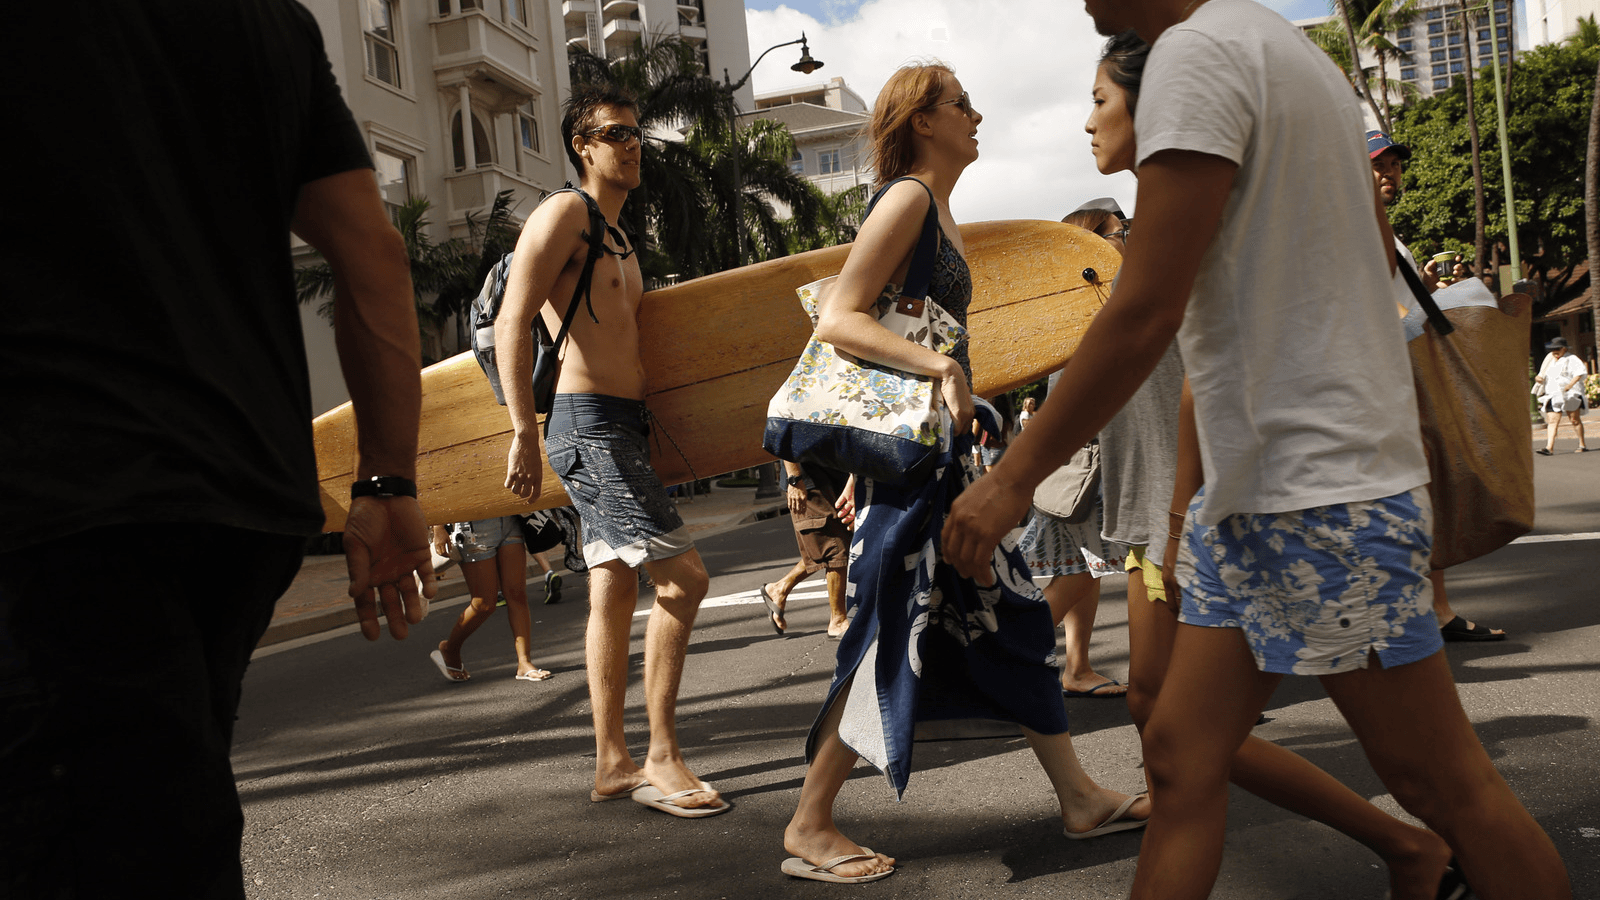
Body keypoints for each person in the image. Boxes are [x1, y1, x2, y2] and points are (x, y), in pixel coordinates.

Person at [942, 3, 1571, 898]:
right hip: (1264, 498)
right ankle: (1417, 859)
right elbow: (1218, 326)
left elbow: (1148, 306)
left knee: (1443, 783)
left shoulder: (1197, 57)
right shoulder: (1286, 50)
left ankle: (1426, 857)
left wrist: (1010, 479)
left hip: (1320, 493)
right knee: (1178, 751)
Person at [0, 3, 434, 896]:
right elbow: (373, 253)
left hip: (60, 495)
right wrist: (388, 480)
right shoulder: (271, 23)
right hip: (238, 503)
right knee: (157, 807)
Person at [780, 63, 1149, 886]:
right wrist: (939, 372)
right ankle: (808, 822)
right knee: (887, 637)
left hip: (939, 464)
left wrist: (967, 393)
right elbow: (840, 319)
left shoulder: (938, 208)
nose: (976, 115)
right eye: (960, 105)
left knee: (1011, 619)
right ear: (920, 120)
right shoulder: (907, 199)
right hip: (909, 474)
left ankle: (1079, 795)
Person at [494, 83, 726, 818]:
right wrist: (525, 429)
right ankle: (659, 757)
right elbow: (512, 318)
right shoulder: (566, 213)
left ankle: (611, 764)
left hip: (624, 424)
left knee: (614, 587)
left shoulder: (622, 237)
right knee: (683, 581)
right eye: (615, 134)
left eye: (636, 135)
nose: (631, 145)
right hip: (585, 423)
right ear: (581, 147)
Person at [1369, 129, 1508, 643]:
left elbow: (1398, 303)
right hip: (1382, 387)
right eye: (1377, 164)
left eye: (1394, 164)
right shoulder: (1355, 228)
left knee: (1423, 494)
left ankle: (1438, 610)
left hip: (1405, 381)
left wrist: (1430, 292)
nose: (1389, 173)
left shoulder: (1389, 233)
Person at [427, 518, 553, 683]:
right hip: (472, 526)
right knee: (484, 604)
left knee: (517, 594)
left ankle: (524, 663)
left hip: (509, 520)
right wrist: (438, 526)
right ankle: (450, 648)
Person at [761, 461, 851, 639]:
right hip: (808, 478)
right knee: (834, 546)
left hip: (836, 472)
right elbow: (784, 434)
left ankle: (779, 588)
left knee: (839, 542)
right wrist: (794, 479)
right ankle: (838, 620)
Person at [1534, 337, 1589, 454]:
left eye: (1557, 349)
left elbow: (1579, 373)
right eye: (1552, 349)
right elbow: (1542, 375)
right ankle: (1549, 447)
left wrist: (1570, 384)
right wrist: (1538, 378)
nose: (1555, 351)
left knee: (1574, 420)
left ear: (1564, 349)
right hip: (1553, 394)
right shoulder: (1549, 360)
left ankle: (1582, 444)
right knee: (1552, 420)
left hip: (1570, 394)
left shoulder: (1572, 359)